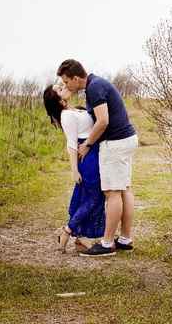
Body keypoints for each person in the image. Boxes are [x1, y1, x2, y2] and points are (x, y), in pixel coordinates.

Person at [57, 59, 139, 257]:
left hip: (116, 142)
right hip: (126, 139)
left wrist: (87, 144)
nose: (66, 86)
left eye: (67, 82)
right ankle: (125, 239)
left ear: (76, 78)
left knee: (112, 193)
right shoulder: (96, 84)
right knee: (124, 189)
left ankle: (107, 243)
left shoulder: (94, 88)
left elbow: (103, 121)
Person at [42, 84, 106, 253]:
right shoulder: (66, 115)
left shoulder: (75, 110)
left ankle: (81, 239)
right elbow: (71, 144)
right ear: (57, 99)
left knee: (91, 197)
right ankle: (67, 231)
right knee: (94, 197)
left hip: (94, 151)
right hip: (87, 157)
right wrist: (74, 169)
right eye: (59, 88)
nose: (63, 86)